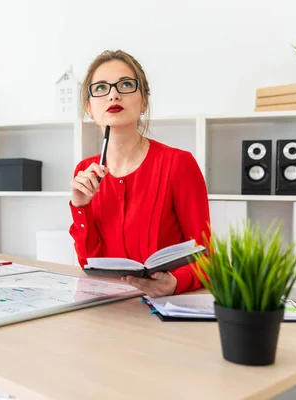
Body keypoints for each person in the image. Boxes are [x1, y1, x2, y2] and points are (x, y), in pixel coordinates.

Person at [69, 50, 211, 297]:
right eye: (101, 88)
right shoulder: (85, 171)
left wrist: (175, 282)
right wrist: (80, 206)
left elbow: (208, 259)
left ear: (144, 101)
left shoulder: (179, 164)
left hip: (165, 309)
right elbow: (88, 263)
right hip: (107, 308)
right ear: (90, 108)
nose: (113, 94)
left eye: (125, 85)